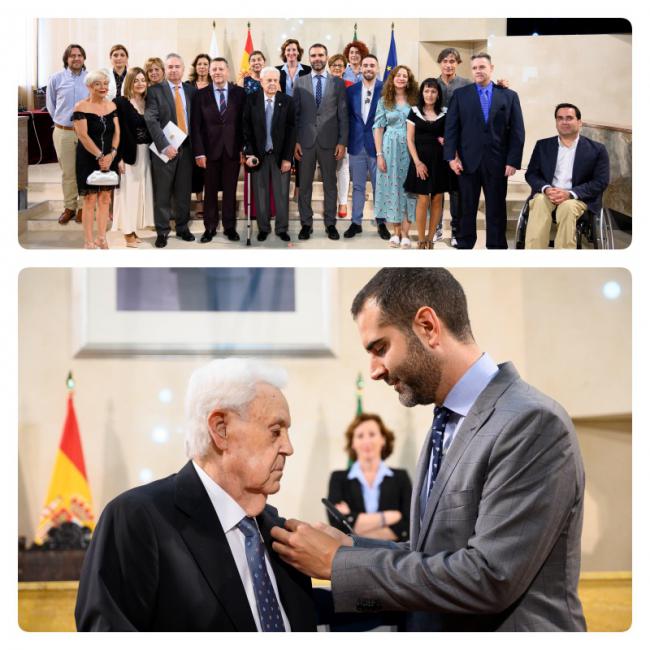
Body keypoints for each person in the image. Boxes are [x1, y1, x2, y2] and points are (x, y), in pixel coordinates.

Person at [271, 268, 587, 632]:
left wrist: (338, 564)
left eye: (380, 348)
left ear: (427, 326)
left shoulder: (531, 423)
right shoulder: (446, 422)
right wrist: (352, 546)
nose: (374, 370)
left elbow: (489, 578)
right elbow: (434, 557)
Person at [75, 358, 317, 631]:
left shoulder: (279, 535)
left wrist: (344, 557)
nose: (288, 447)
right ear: (221, 429)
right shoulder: (136, 519)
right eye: (276, 431)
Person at [443, 52, 525, 249]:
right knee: (466, 207)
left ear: (491, 68)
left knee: (496, 208)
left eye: (482, 67)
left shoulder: (509, 95)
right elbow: (451, 128)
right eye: (474, 68)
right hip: (467, 162)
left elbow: (517, 131)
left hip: (497, 163)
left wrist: (513, 161)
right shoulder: (461, 95)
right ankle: (464, 243)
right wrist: (451, 158)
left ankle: (496, 245)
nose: (478, 71)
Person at [524, 103, 610, 249]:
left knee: (567, 207)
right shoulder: (543, 145)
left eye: (569, 118)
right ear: (556, 122)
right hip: (548, 194)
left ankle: (564, 261)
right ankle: (533, 257)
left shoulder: (597, 150)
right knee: (538, 202)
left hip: (578, 198)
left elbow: (601, 181)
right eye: (560, 118)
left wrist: (570, 194)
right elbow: (532, 173)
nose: (564, 122)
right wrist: (546, 189)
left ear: (579, 122)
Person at [293, 43, 348, 242]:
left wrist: (342, 142)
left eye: (321, 55)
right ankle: (306, 224)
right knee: (304, 185)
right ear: (309, 58)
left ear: (326, 57)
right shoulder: (299, 82)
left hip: (330, 143)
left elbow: (343, 115)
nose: (317, 58)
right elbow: (296, 116)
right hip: (305, 142)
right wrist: (295, 142)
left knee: (330, 185)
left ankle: (330, 223)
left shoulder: (338, 83)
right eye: (313, 55)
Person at [327, 413, 411, 541]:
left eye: (372, 434)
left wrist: (354, 523)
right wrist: (388, 517)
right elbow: (338, 525)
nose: (367, 441)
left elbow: (408, 525)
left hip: (394, 556)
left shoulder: (401, 477)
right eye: (360, 436)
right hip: (352, 558)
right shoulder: (338, 479)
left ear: (383, 439)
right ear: (353, 443)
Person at [144, 53, 197, 248]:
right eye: (170, 67)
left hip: (187, 148)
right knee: (163, 192)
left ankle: (182, 227)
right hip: (164, 149)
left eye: (177, 66)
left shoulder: (191, 91)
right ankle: (162, 231)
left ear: (183, 69)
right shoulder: (155, 90)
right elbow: (151, 119)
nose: (174, 70)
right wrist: (165, 145)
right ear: (166, 70)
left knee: (183, 192)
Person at [192, 57, 246, 243]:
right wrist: (199, 152)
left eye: (220, 69)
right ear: (209, 72)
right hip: (209, 152)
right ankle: (210, 228)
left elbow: (243, 124)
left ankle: (230, 227)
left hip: (233, 151)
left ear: (227, 71)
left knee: (230, 191)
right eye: (213, 69)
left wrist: (243, 149)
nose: (217, 72)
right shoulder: (200, 95)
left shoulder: (240, 93)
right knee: (210, 192)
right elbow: (196, 126)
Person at [242, 67, 295, 242]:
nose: (272, 83)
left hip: (280, 157)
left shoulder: (287, 101)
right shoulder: (251, 100)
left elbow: (291, 131)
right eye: (268, 80)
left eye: (275, 80)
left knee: (281, 195)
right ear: (261, 82)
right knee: (261, 193)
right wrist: (249, 154)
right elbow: (246, 130)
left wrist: (288, 157)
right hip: (259, 155)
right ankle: (263, 228)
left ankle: (281, 228)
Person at [72, 69, 120, 249]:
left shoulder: (112, 106)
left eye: (106, 84)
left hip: (109, 157)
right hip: (88, 157)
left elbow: (117, 132)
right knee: (90, 199)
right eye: (98, 84)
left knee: (106, 199)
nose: (103, 87)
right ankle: (88, 240)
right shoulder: (80, 107)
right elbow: (83, 136)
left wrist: (112, 154)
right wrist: (100, 156)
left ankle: (102, 237)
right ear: (89, 86)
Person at [344, 54, 389, 240]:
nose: (368, 68)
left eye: (372, 65)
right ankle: (356, 223)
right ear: (360, 68)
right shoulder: (351, 90)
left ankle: (381, 223)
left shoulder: (386, 89)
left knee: (380, 186)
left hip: (378, 147)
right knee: (358, 187)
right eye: (365, 65)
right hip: (356, 145)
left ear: (377, 69)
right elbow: (347, 118)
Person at [404, 78, 453, 249]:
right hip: (420, 162)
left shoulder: (446, 112)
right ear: (422, 93)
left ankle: (431, 239)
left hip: (440, 162)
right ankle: (421, 238)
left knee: (438, 198)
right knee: (423, 199)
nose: (429, 95)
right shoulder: (414, 111)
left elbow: (450, 135)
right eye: (426, 91)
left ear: (438, 94)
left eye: (433, 91)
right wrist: (417, 163)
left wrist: (446, 141)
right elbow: (409, 139)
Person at [373, 65, 417, 248]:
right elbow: (378, 127)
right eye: (398, 75)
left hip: (410, 148)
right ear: (392, 78)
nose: (401, 78)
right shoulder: (384, 101)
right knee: (392, 189)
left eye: (404, 76)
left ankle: (406, 233)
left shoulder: (415, 101)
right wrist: (379, 154)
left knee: (408, 190)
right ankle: (395, 232)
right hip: (389, 149)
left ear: (409, 80)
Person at [46, 43, 88, 225]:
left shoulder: (90, 78)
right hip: (64, 132)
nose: (76, 58)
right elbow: (51, 105)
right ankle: (70, 207)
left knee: (85, 171)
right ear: (66, 59)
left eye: (80, 55)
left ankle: (83, 208)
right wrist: (62, 121)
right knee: (68, 172)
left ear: (84, 58)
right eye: (73, 56)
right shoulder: (56, 79)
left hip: (86, 132)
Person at [113, 67, 154, 247]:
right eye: (136, 80)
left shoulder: (148, 101)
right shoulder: (120, 102)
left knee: (140, 193)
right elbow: (116, 132)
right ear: (129, 82)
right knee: (127, 193)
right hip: (128, 154)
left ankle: (134, 229)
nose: (140, 83)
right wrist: (118, 157)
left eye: (143, 80)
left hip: (146, 153)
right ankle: (127, 233)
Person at [276, 39, 311, 203]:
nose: (291, 53)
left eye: (294, 50)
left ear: (299, 52)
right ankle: (282, 189)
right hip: (282, 117)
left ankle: (298, 188)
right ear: (284, 53)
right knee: (285, 151)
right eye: (288, 50)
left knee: (300, 154)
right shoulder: (276, 71)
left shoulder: (308, 71)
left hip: (303, 116)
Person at [328, 53, 353, 217]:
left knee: (343, 167)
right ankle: (330, 202)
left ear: (345, 69)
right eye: (334, 65)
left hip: (344, 132)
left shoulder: (350, 85)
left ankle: (343, 202)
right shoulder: (322, 84)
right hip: (325, 133)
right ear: (329, 68)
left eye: (340, 65)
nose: (337, 68)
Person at [188, 53, 211, 218]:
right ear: (195, 67)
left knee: (210, 170)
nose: (202, 67)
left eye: (205, 64)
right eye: (199, 64)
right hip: (194, 132)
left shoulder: (216, 84)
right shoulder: (188, 86)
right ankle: (199, 202)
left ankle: (210, 200)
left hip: (212, 134)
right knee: (197, 170)